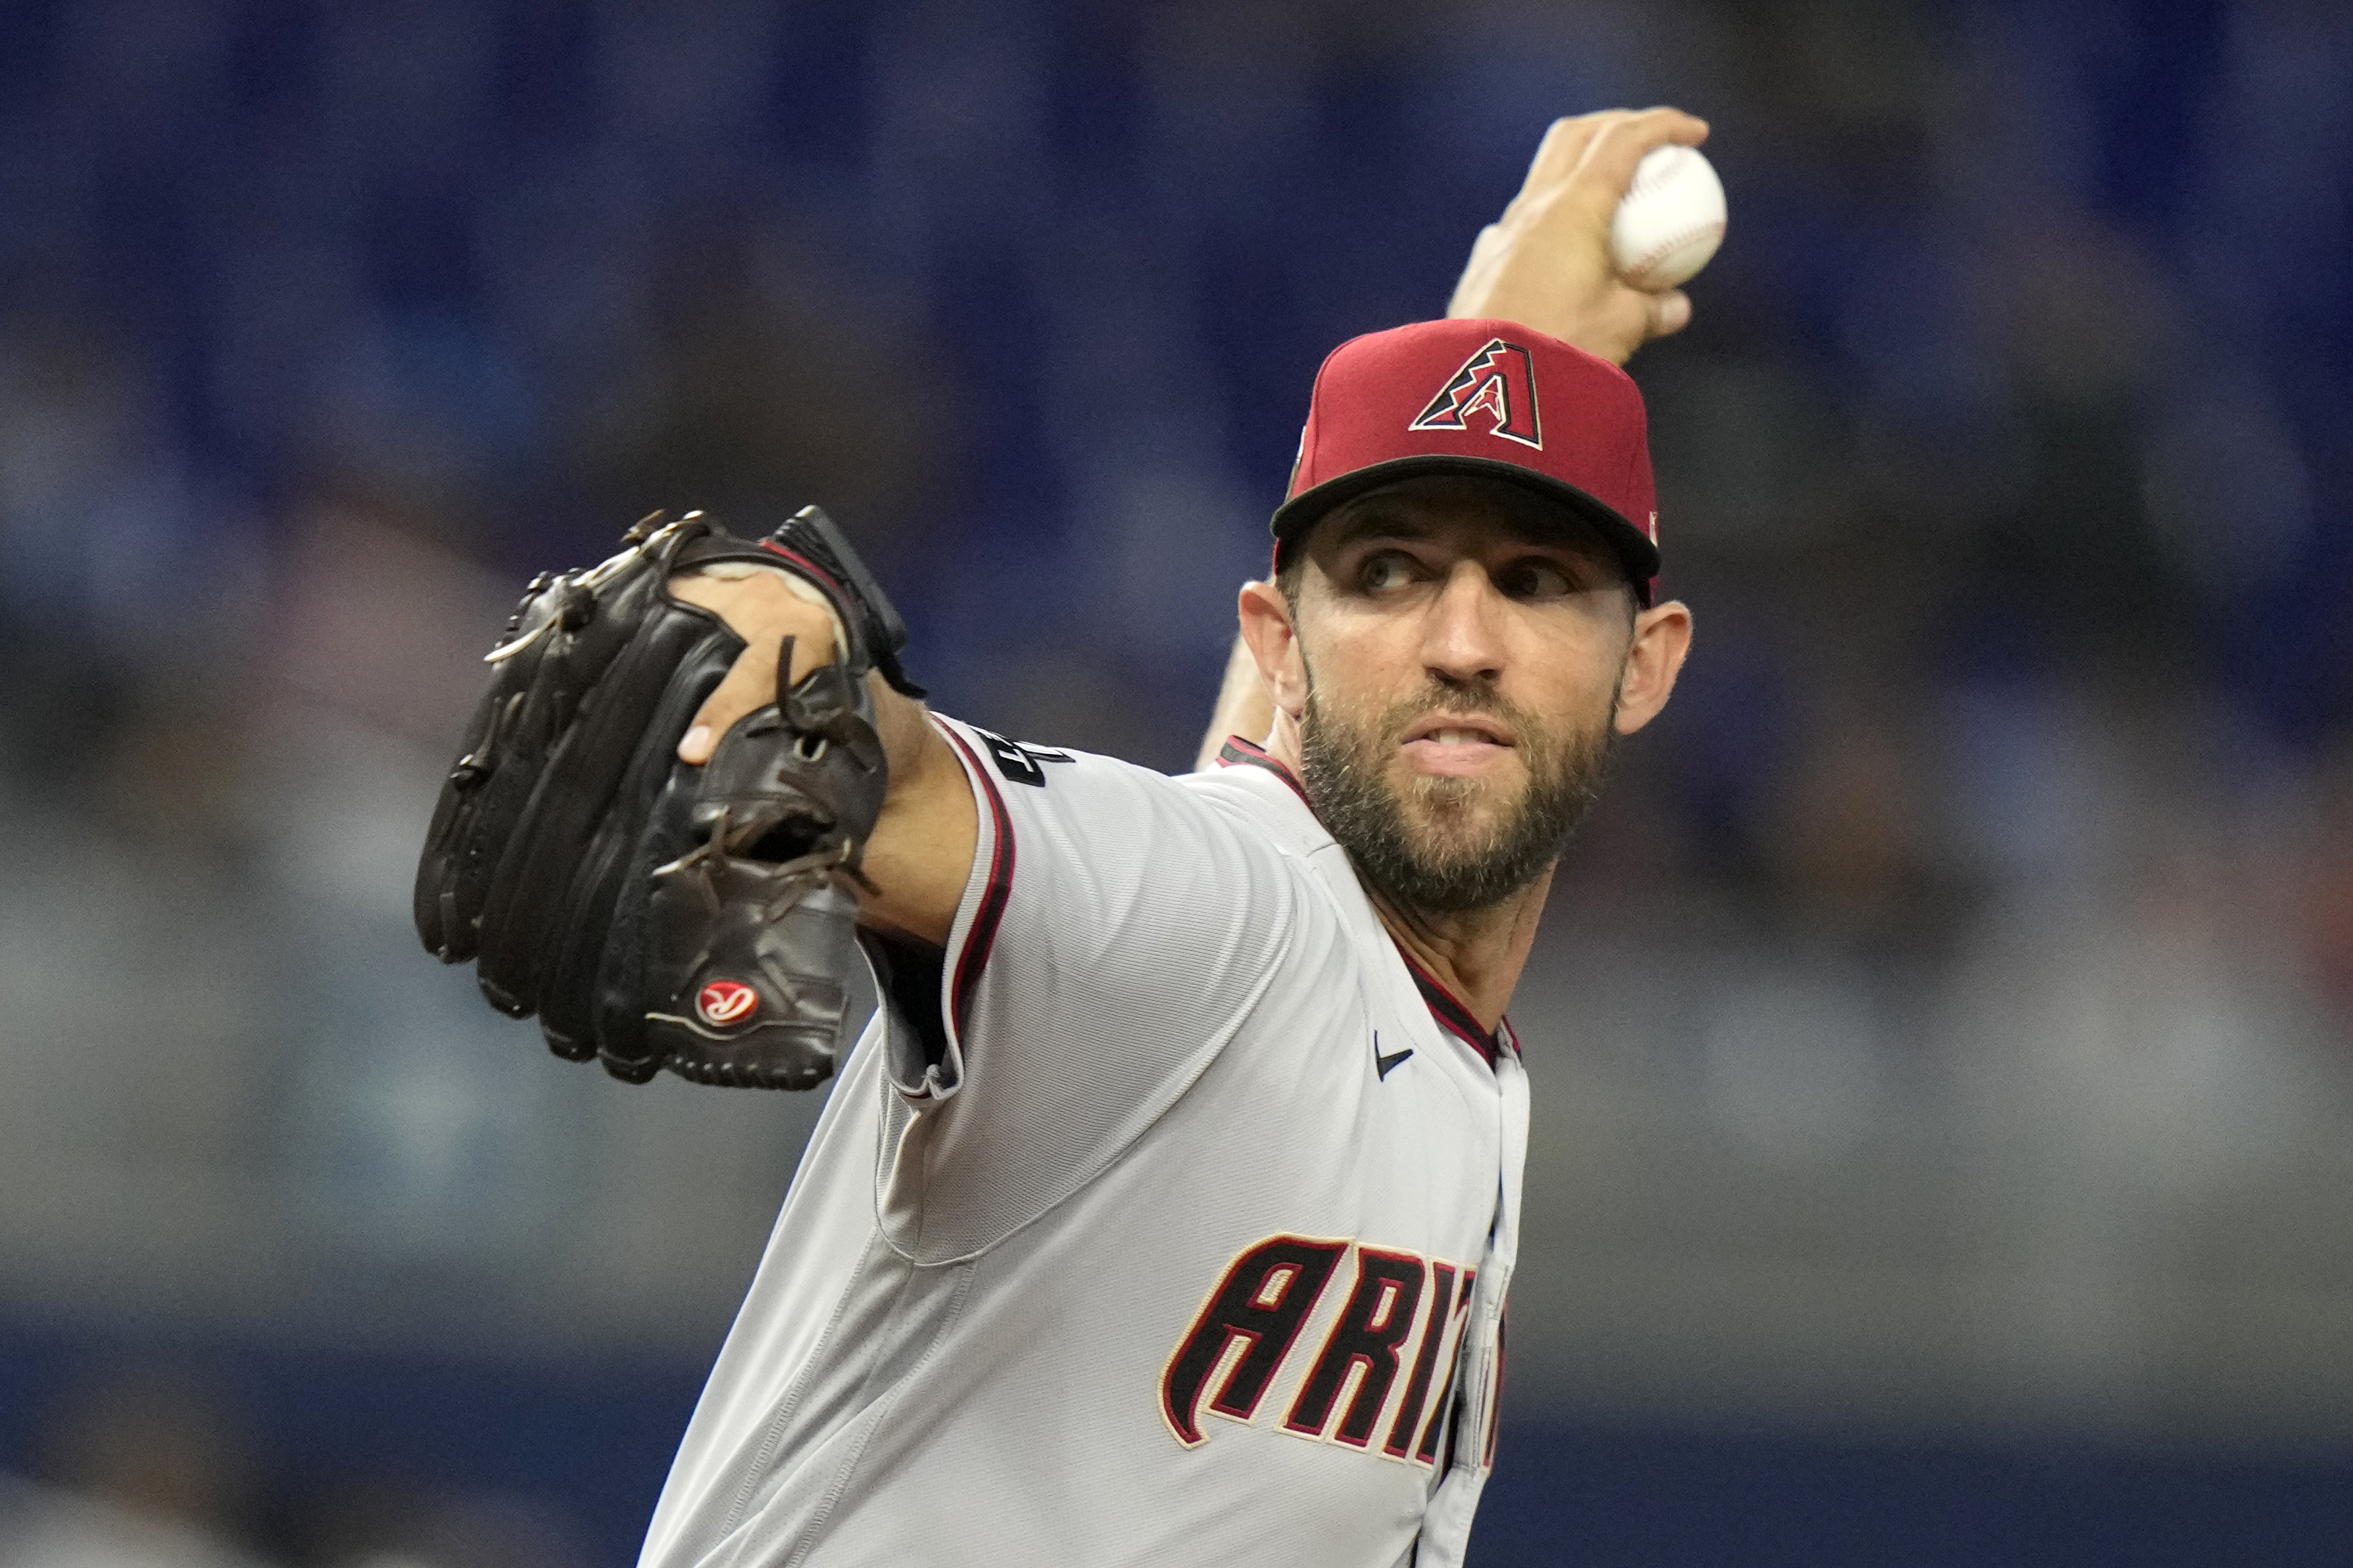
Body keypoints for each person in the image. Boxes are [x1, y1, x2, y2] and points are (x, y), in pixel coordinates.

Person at [635, 107, 1703, 1568]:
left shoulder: (1393, 1028)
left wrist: (1503, 331)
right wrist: (799, 675)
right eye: (1387, 575)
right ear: (1278, 638)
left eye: (1533, 580)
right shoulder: (1208, 912)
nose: (1463, 639)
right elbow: (953, 803)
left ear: (1646, 662)